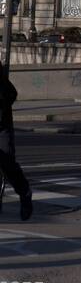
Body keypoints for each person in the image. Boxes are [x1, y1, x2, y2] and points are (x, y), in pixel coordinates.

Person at [0, 62, 32, 220]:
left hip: (1, 127)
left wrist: (1, 109)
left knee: (7, 163)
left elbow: (11, 93)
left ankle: (24, 192)